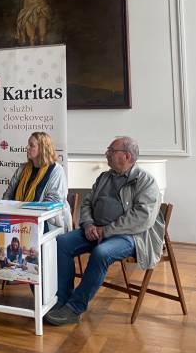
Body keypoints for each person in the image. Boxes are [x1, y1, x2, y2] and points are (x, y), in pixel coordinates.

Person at [45, 136, 164, 325]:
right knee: (61, 243)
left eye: (111, 150)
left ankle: (74, 308)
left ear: (126, 156)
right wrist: (88, 224)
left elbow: (141, 218)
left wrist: (106, 230)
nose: (107, 154)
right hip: (96, 230)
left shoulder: (145, 181)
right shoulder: (104, 177)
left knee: (101, 253)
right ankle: (62, 299)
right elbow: (87, 203)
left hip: (128, 236)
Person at [2, 131, 71, 231]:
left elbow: (53, 202)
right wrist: (4, 211)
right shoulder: (22, 168)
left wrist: (26, 213)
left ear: (43, 149)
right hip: (18, 219)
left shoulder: (56, 170)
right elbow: (8, 194)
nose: (27, 148)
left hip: (46, 222)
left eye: (31, 145)